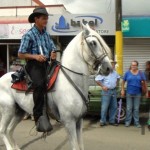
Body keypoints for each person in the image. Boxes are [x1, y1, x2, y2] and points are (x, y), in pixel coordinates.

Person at [18, 7, 56, 132]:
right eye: (44, 18)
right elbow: (21, 54)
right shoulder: (28, 35)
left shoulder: (46, 33)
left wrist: (53, 52)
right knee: (40, 84)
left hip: (46, 63)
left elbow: (52, 46)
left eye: (47, 18)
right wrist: (35, 56)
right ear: (36, 19)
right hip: (34, 65)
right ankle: (38, 115)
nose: (46, 20)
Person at [121, 60, 148, 128]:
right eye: (132, 65)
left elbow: (145, 83)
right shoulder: (127, 73)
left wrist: (147, 92)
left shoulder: (141, 73)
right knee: (129, 108)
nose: (133, 66)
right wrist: (122, 90)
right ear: (131, 66)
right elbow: (123, 82)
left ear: (137, 66)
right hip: (129, 93)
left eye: (135, 65)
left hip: (138, 93)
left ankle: (136, 123)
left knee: (136, 109)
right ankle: (127, 122)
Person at [95, 59, 120, 126]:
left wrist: (116, 84)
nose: (113, 65)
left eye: (114, 64)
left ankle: (112, 121)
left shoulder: (115, 72)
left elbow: (118, 78)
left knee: (114, 106)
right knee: (105, 107)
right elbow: (97, 80)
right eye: (112, 64)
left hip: (113, 91)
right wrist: (103, 86)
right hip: (106, 91)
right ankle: (102, 121)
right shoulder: (104, 72)